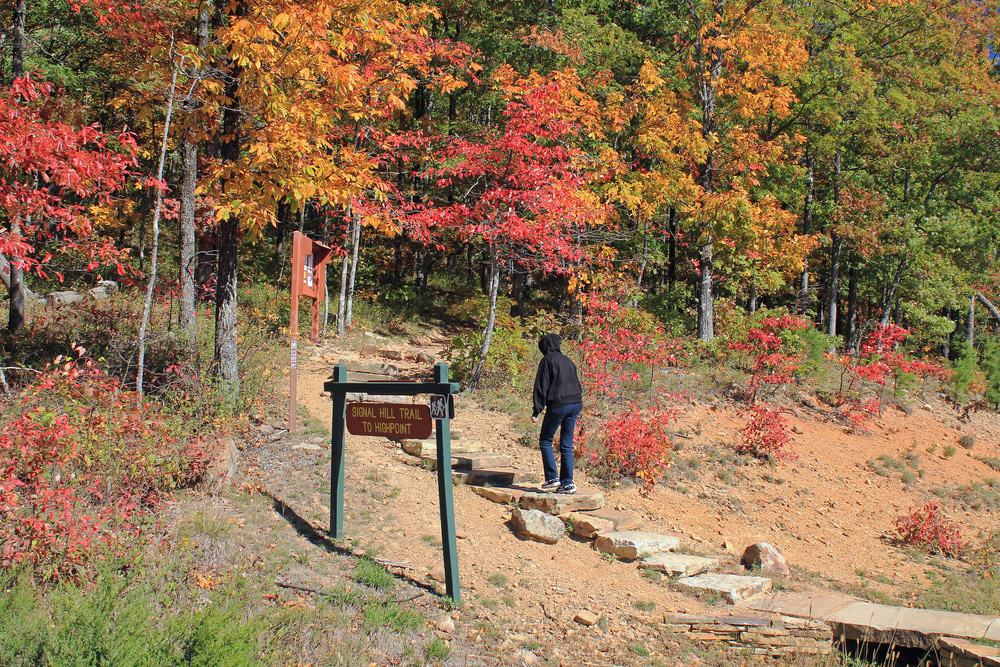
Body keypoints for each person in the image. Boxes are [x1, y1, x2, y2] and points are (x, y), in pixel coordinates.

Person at [531, 334, 584, 494]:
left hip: (559, 404)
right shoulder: (568, 361)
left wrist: (536, 410)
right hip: (575, 403)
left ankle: (552, 478)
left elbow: (541, 386)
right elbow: (577, 383)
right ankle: (568, 484)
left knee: (545, 440)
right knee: (566, 445)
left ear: (545, 346)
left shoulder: (547, 360)